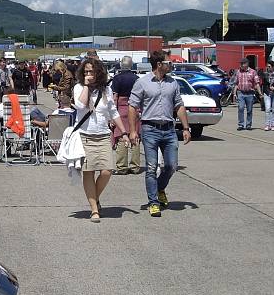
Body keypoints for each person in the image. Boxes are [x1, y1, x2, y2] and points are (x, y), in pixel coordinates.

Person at [128, 51, 190, 218]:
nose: (171, 65)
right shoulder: (142, 83)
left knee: (171, 166)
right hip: (150, 129)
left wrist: (186, 128)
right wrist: (133, 131)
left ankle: (160, 188)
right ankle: (153, 202)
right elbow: (132, 107)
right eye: (168, 62)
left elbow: (179, 105)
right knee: (151, 167)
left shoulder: (173, 83)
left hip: (169, 130)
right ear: (159, 64)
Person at [74, 57, 129, 224]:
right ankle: (94, 209)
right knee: (88, 172)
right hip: (85, 136)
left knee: (107, 171)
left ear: (98, 73)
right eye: (86, 72)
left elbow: (113, 112)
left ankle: (94, 197)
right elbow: (80, 106)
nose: (88, 74)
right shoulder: (78, 88)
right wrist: (86, 86)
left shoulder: (106, 90)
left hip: (104, 135)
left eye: (91, 71)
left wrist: (124, 132)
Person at [111, 56, 141, 175]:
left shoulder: (117, 78)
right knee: (135, 136)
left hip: (121, 109)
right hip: (135, 107)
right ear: (131, 65)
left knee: (121, 136)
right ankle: (135, 166)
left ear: (121, 65)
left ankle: (122, 167)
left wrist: (112, 114)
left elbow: (115, 97)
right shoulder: (137, 79)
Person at [230, 58, 262, 130]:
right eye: (240, 64)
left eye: (242, 63)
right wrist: (234, 94)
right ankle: (241, 125)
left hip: (250, 93)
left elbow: (257, 83)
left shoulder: (253, 72)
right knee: (241, 108)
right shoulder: (238, 72)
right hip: (241, 93)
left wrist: (260, 93)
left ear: (247, 64)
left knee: (249, 110)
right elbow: (236, 84)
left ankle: (248, 125)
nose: (241, 65)